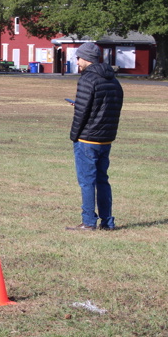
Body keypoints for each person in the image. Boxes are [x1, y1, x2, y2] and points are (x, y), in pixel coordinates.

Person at [66, 42, 123, 231]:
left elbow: (81, 113)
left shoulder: (87, 79)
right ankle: (107, 222)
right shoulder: (113, 80)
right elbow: (108, 107)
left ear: (86, 59)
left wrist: (74, 135)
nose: (77, 62)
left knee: (87, 181)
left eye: (78, 58)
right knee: (102, 180)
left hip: (87, 139)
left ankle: (89, 221)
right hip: (106, 138)